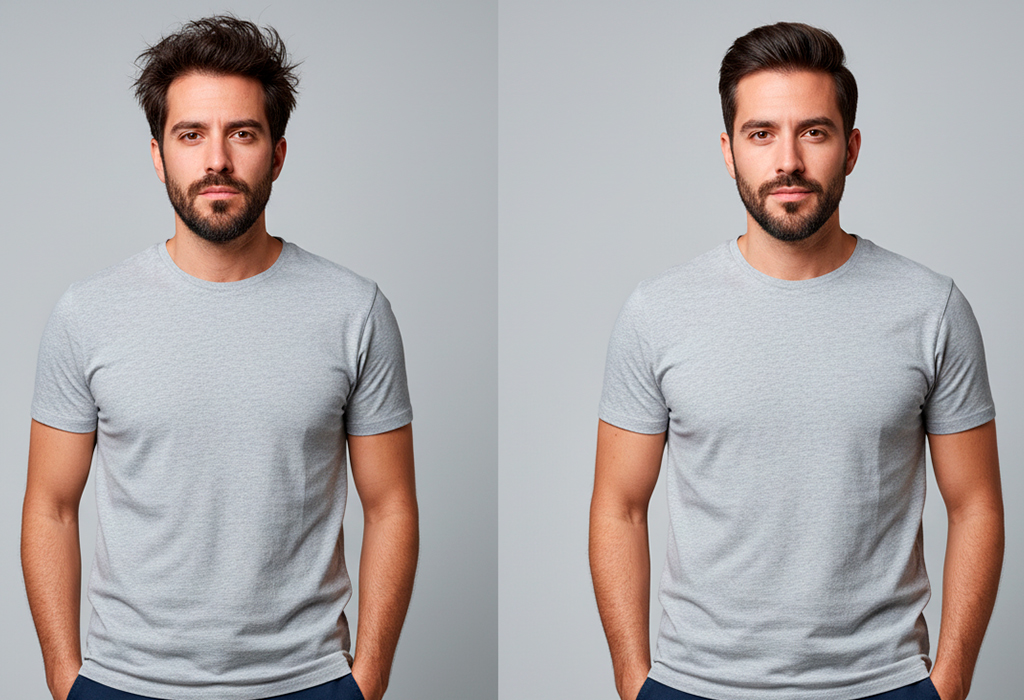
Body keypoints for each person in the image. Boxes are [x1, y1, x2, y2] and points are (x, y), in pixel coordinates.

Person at [590, 22, 1003, 700]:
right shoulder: (657, 312)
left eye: (814, 132)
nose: (788, 160)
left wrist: (948, 682)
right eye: (761, 134)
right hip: (696, 685)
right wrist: (635, 683)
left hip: (885, 684)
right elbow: (619, 505)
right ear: (728, 152)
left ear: (851, 147)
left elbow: (978, 504)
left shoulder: (932, 308)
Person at [22, 16, 417, 700]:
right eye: (190, 135)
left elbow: (392, 507)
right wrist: (65, 678)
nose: (217, 161)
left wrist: (368, 678)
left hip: (308, 682)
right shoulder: (87, 314)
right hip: (124, 683)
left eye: (242, 133)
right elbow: (49, 506)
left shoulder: (355, 310)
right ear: (157, 154)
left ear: (278, 153)